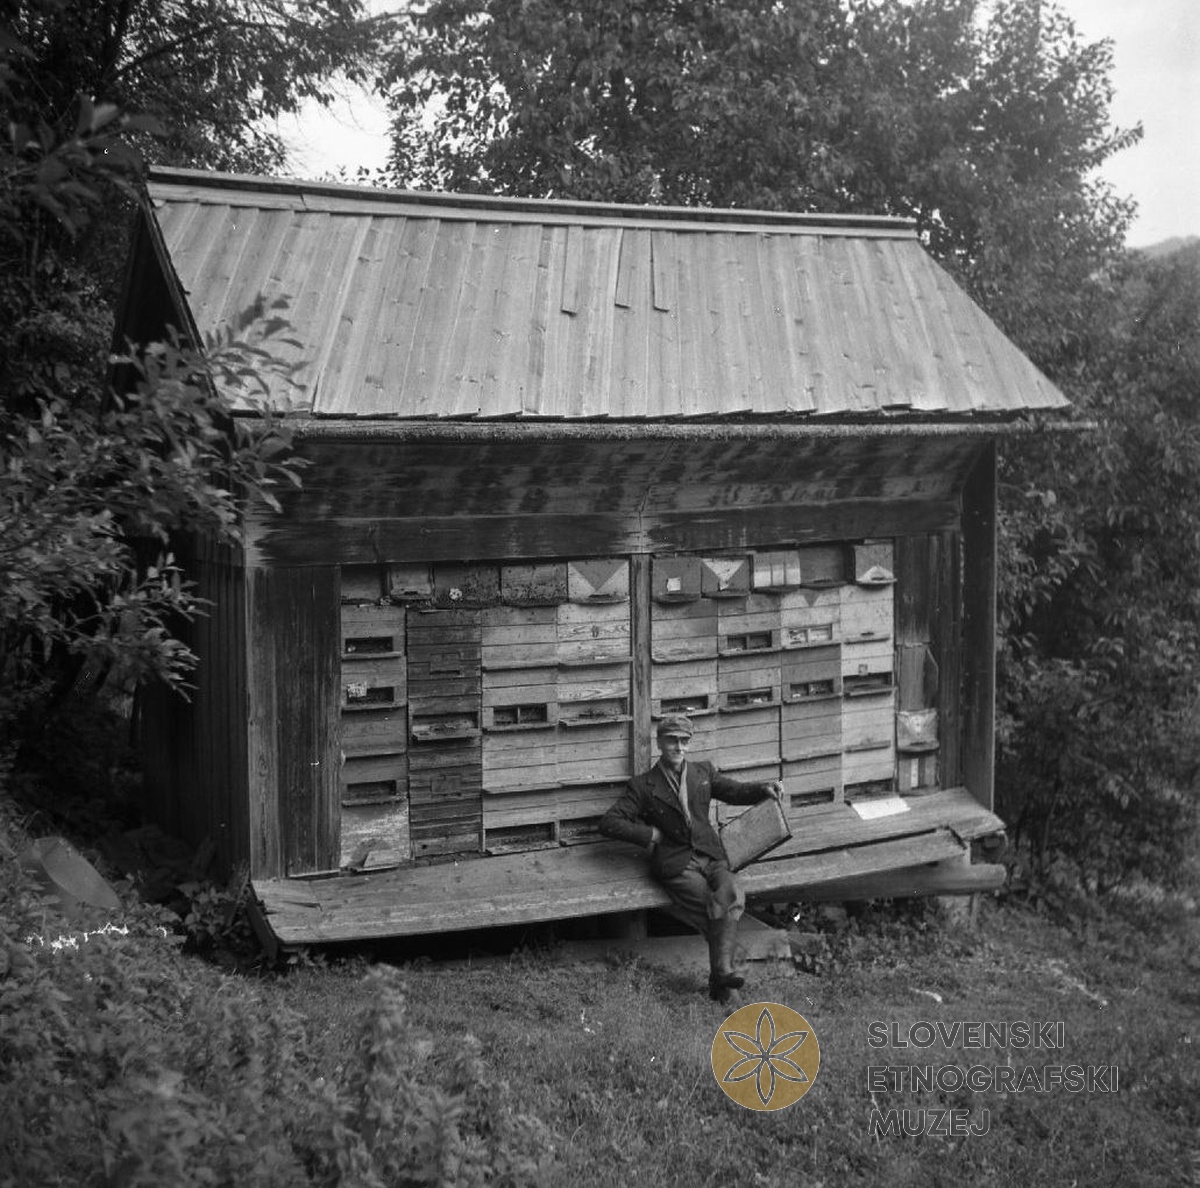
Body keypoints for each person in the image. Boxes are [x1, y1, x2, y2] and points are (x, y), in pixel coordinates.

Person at [599, 714, 784, 1003]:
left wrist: (762, 789)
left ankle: (721, 979)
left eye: (684, 741)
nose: (678, 747)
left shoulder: (702, 772)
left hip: (712, 856)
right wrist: (650, 835)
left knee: (731, 891)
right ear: (659, 743)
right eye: (672, 740)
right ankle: (725, 984)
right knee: (714, 907)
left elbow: (733, 791)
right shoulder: (643, 785)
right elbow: (609, 822)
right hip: (676, 863)